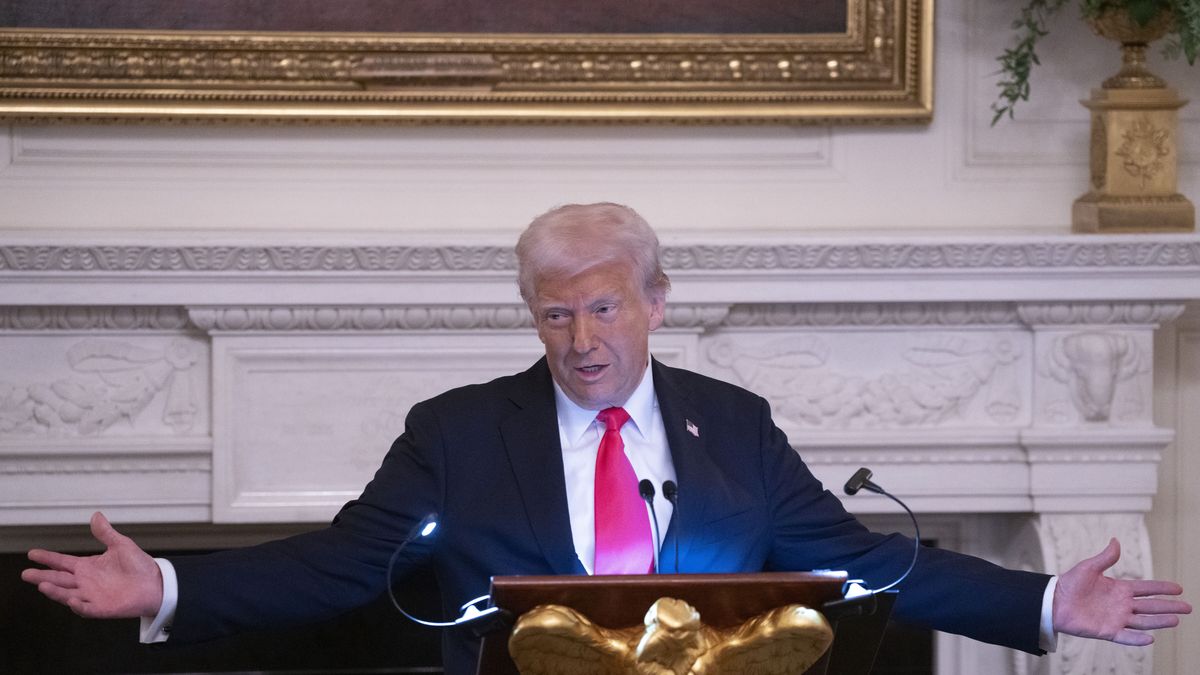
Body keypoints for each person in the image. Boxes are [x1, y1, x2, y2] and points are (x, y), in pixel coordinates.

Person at [23, 203, 1191, 674]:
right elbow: (341, 564)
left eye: (603, 306)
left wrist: (1045, 601)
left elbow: (864, 562)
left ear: (655, 302)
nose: (581, 340)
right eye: (555, 313)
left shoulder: (734, 428)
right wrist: (170, 583)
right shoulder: (458, 434)